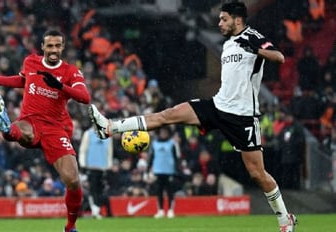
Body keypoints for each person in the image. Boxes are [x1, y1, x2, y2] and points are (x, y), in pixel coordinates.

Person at [88, 2, 297, 231]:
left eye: (223, 19)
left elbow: (279, 57)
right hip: (217, 106)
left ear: (238, 20)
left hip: (243, 117)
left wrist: (255, 49)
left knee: (257, 174)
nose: (219, 23)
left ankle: (285, 219)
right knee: (168, 115)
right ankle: (109, 127)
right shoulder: (227, 45)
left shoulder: (252, 37)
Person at [0, 29, 91, 232]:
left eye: (57, 46)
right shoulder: (31, 62)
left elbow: (85, 97)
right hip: (30, 120)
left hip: (56, 129)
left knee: (73, 180)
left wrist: (60, 86)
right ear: (43, 47)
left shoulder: (70, 71)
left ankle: (70, 227)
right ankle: (6, 127)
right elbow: (22, 80)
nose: (53, 50)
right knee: (20, 130)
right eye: (50, 46)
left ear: (62, 47)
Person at [78, 127, 113, 219]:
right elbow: (83, 150)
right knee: (93, 189)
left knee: (100, 190)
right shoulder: (88, 133)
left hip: (102, 168)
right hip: (91, 167)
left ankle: (96, 209)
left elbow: (109, 152)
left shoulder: (108, 135)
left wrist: (108, 165)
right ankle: (95, 210)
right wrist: (83, 164)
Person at [148, 126, 180, 219]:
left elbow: (176, 157)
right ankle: (160, 210)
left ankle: (170, 210)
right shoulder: (155, 144)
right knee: (159, 192)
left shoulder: (172, 144)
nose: (163, 134)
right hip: (158, 170)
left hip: (169, 171)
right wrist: (148, 168)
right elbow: (152, 157)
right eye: (162, 132)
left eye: (165, 132)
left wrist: (176, 170)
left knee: (170, 191)